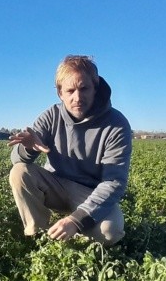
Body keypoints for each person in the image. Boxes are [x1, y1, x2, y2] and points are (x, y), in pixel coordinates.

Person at [8, 55, 132, 246]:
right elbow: (17, 160)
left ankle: (73, 228)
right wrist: (28, 149)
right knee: (19, 172)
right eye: (70, 90)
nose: (77, 97)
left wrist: (76, 220)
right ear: (60, 93)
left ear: (95, 87)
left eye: (84, 89)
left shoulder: (116, 124)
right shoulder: (51, 116)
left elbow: (113, 182)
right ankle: (40, 237)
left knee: (110, 231)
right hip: (55, 184)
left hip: (89, 192)